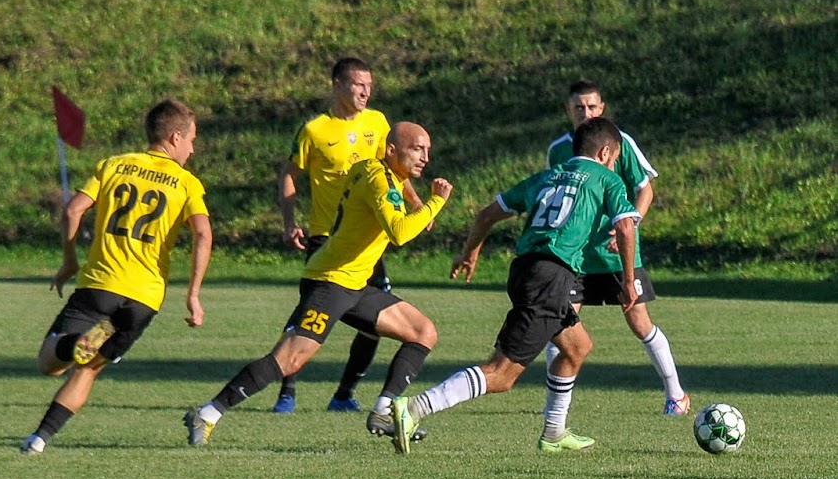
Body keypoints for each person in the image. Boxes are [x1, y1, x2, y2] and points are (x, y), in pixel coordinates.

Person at [184, 122, 451, 447]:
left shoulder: (382, 175)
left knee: (423, 332)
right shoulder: (378, 178)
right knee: (289, 360)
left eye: (427, 150)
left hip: (354, 285)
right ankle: (208, 412)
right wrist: (435, 202)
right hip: (330, 282)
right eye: (417, 149)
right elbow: (400, 232)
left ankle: (383, 410)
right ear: (391, 150)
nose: (425, 157)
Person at [391, 117, 640, 455]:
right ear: (606, 152)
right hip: (552, 276)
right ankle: (415, 408)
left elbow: (486, 215)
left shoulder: (546, 176)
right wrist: (627, 282)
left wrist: (470, 254)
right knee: (502, 374)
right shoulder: (607, 178)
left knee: (577, 347)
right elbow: (626, 228)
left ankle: (554, 431)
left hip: (526, 269)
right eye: (614, 158)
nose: (614, 164)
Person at [20, 99, 213, 456]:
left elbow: (73, 210)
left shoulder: (114, 165)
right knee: (88, 370)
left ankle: (74, 342)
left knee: (50, 363)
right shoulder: (186, 184)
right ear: (174, 137)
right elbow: (203, 233)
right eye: (191, 140)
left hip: (101, 285)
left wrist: (68, 262)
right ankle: (39, 439)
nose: (192, 148)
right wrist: (194, 295)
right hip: (144, 300)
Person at [274, 57, 425, 415]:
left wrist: (416, 203)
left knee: (379, 317)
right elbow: (290, 174)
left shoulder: (378, 123)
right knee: (306, 318)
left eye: (369, 85)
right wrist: (288, 222)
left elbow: (394, 171)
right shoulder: (315, 131)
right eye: (358, 84)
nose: (365, 91)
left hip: (366, 242)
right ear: (337, 85)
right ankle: (287, 391)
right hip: (327, 238)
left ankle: (344, 393)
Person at [544, 80, 689, 415]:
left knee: (638, 320)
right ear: (569, 110)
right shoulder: (558, 150)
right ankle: (555, 406)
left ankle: (675, 394)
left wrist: (629, 224)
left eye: (592, 107)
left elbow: (645, 189)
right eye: (579, 107)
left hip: (615, 251)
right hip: (576, 255)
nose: (586, 113)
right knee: (560, 325)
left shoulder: (618, 143)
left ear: (602, 107)